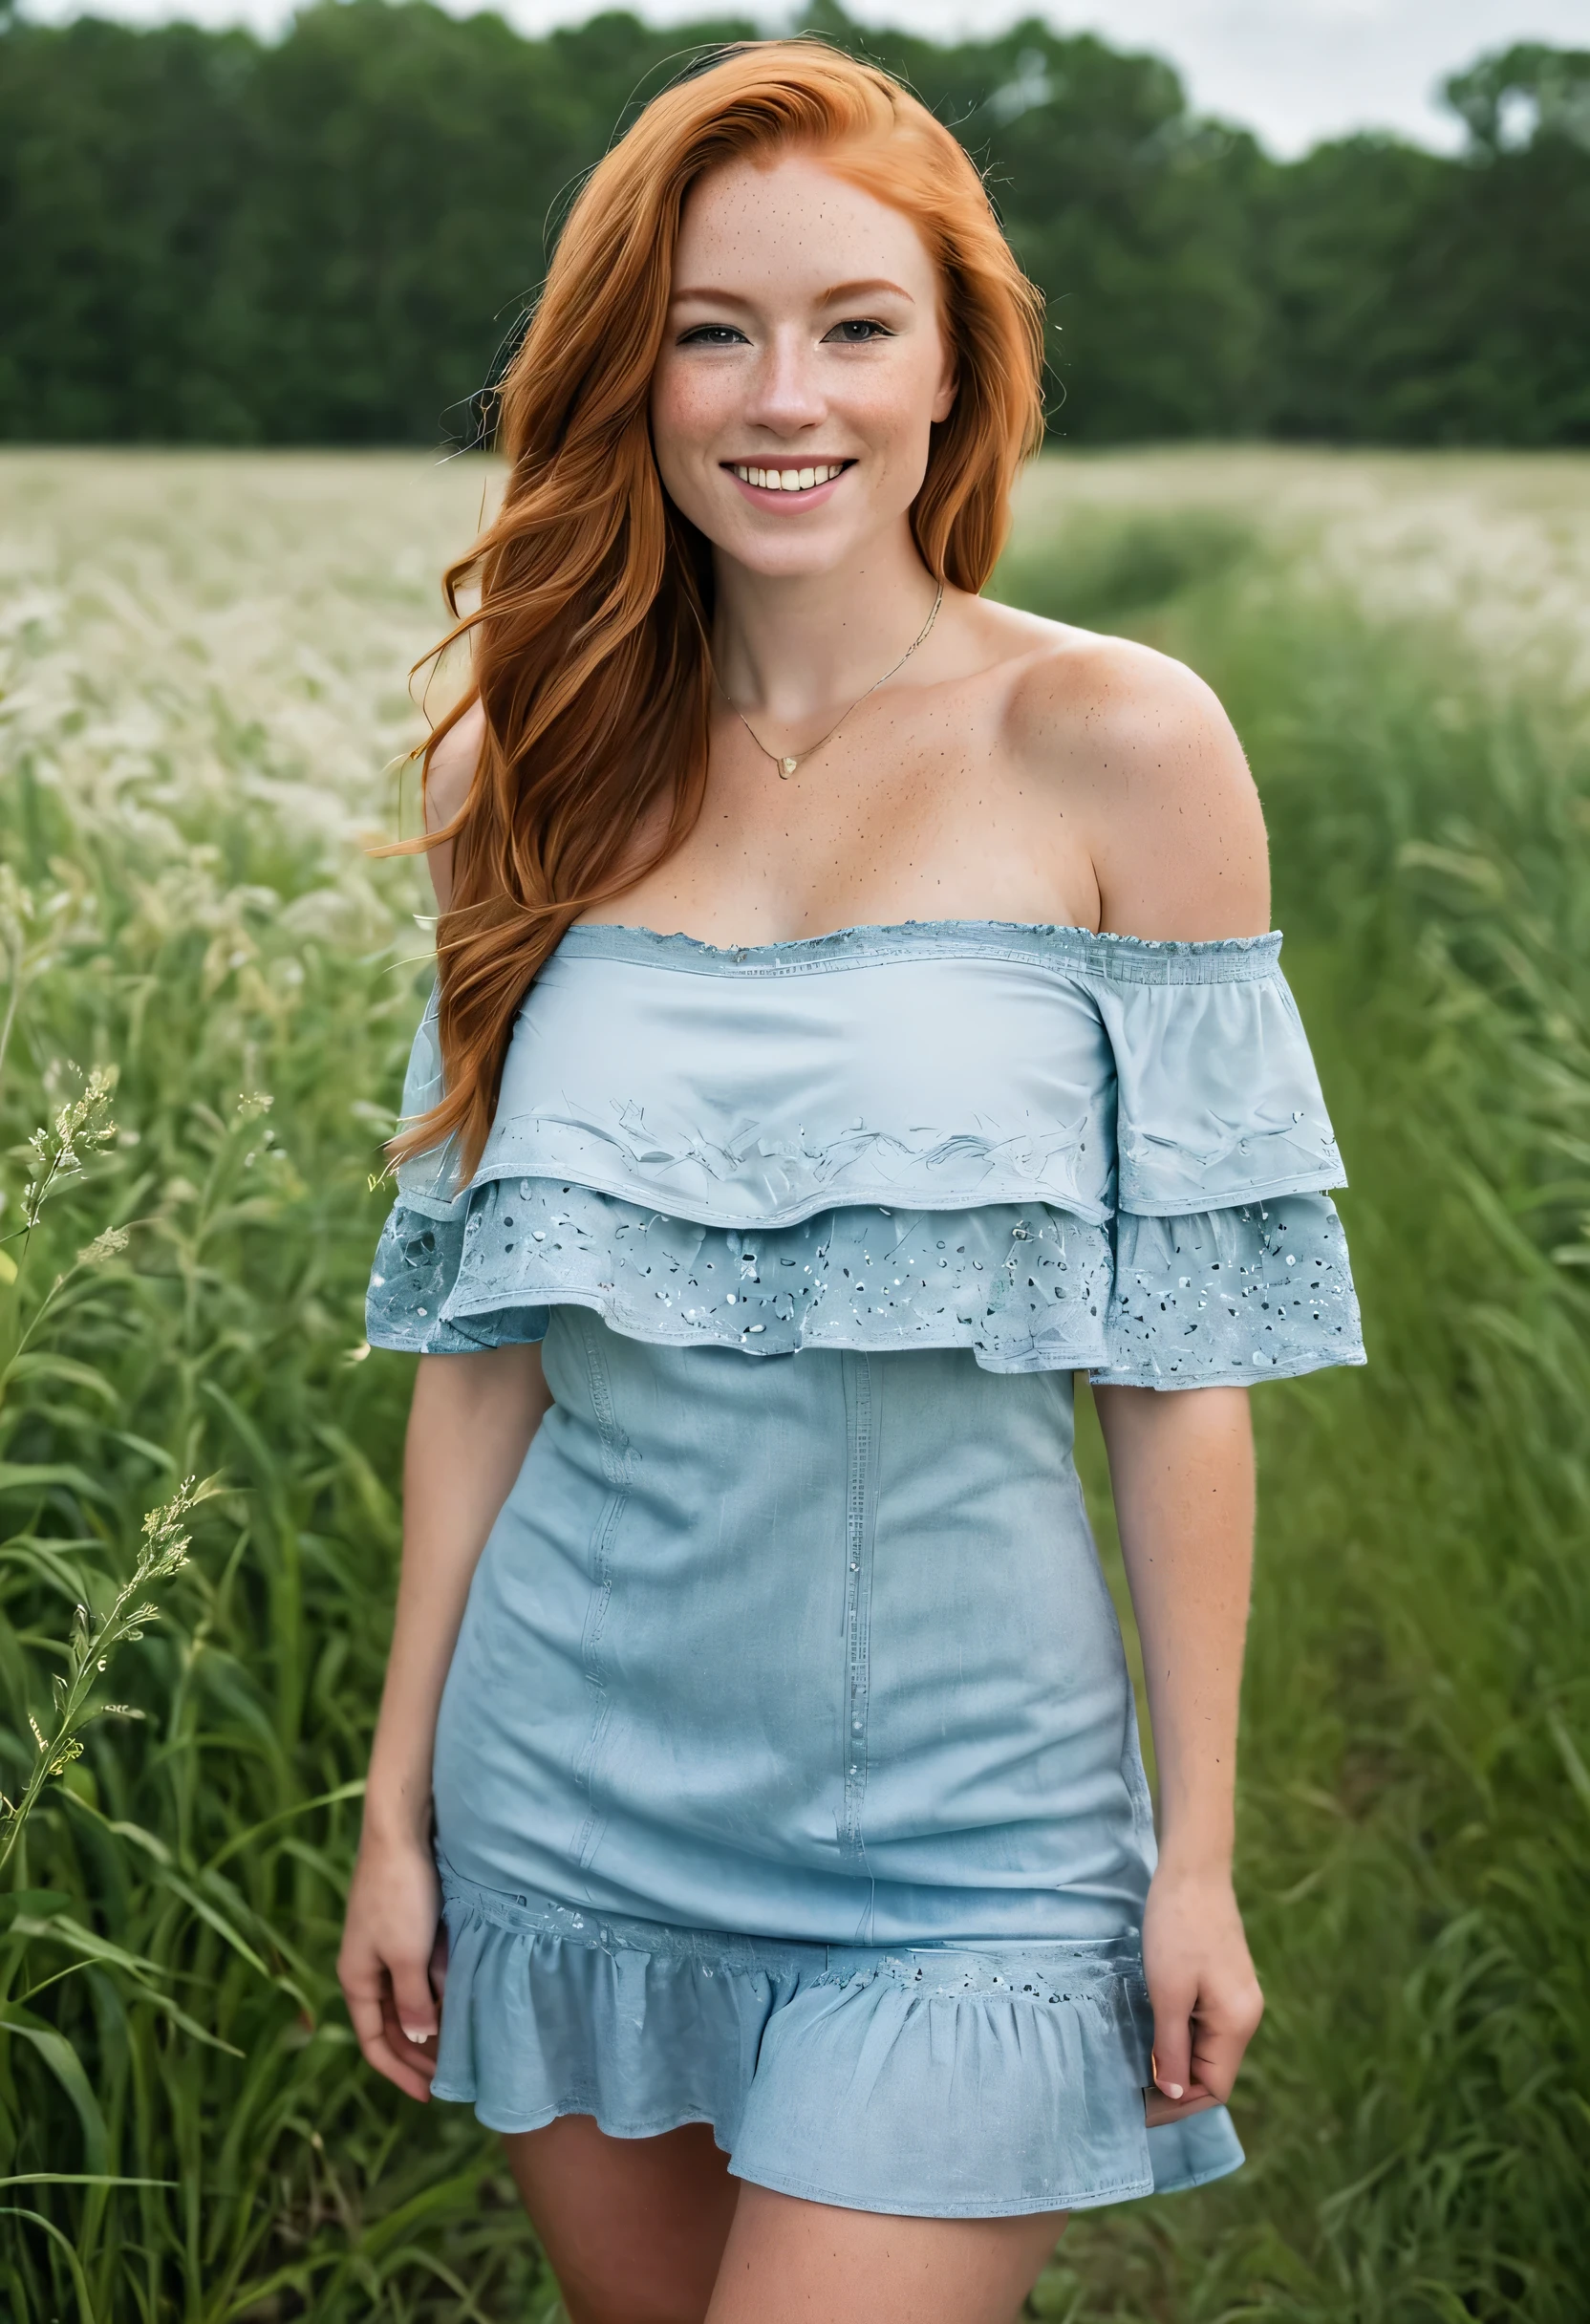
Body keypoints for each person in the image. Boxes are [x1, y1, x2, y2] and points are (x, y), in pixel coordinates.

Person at [338, 41, 1364, 2324]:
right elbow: (484, 1340)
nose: (777, 394)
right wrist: (397, 1804)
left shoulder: (1117, 742)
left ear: (951, 370)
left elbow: (1183, 1372)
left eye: (851, 325)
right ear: (635, 372)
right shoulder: (519, 761)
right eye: (712, 327)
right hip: (565, 1788)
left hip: (969, 1835)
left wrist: (1189, 1861)